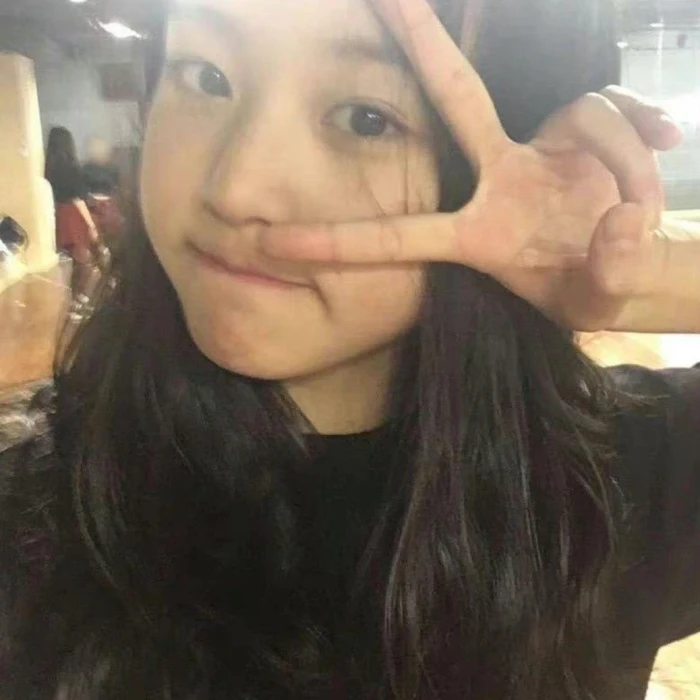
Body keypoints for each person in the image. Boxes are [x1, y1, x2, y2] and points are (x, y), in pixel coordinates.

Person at [1, 0, 698, 698]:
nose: (234, 190)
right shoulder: (30, 512)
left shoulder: (623, 483)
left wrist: (649, 272)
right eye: (207, 76)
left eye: (367, 118)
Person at [44, 126, 104, 300]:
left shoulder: (47, 169)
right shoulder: (72, 168)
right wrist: (91, 225)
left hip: (56, 217)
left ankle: (71, 300)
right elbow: (77, 199)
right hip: (74, 216)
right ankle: (82, 299)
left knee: (68, 263)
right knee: (89, 264)